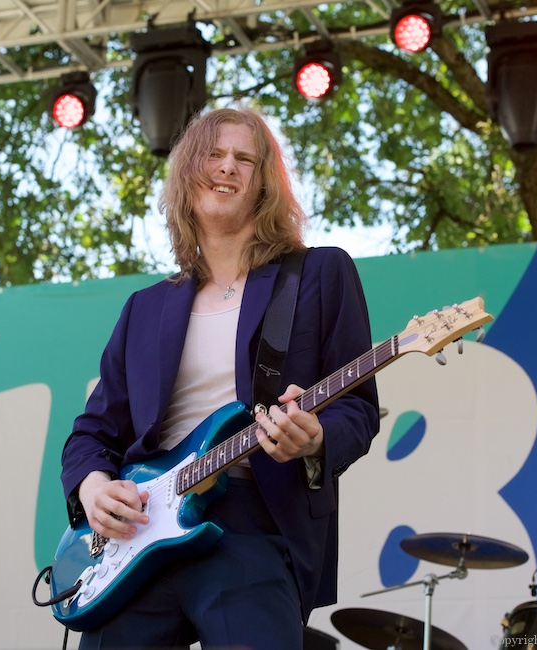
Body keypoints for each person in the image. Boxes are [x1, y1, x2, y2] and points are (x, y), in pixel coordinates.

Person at [59, 106, 380, 649]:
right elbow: (92, 434)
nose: (227, 167)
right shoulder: (145, 308)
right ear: (188, 175)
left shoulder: (319, 274)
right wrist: (93, 491)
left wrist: (316, 438)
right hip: (138, 535)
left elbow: (359, 409)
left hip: (253, 526)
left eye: (245, 159)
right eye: (213, 154)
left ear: (264, 186)